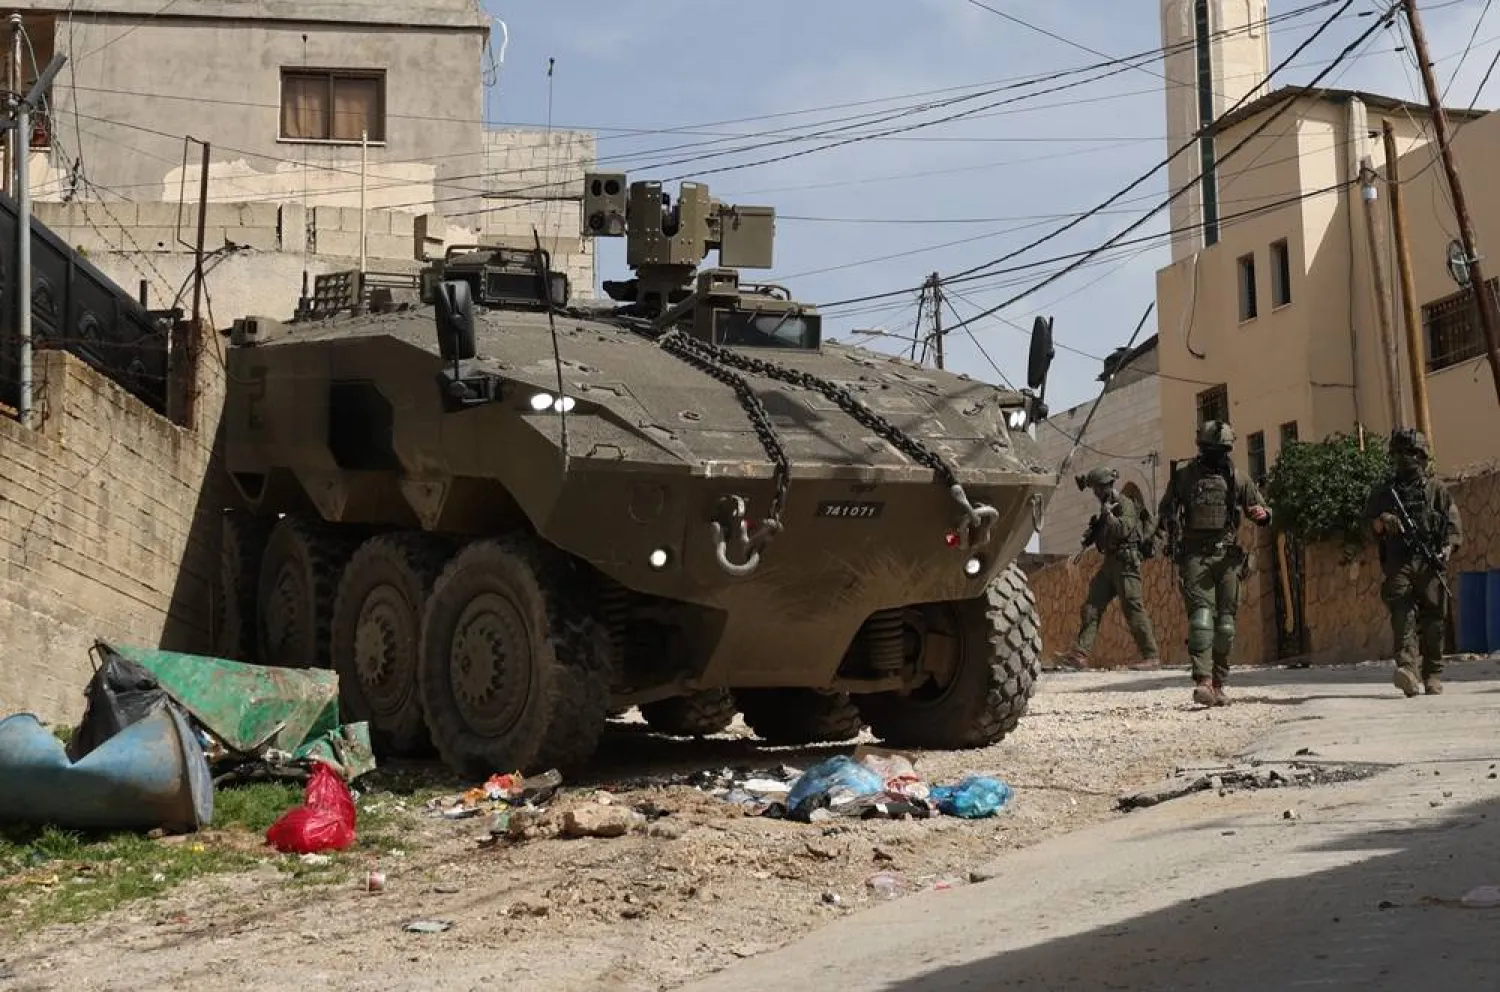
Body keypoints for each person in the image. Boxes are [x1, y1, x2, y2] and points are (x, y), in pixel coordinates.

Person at [1154, 421, 1272, 706]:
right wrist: (1169, 526)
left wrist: (1262, 514)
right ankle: (1203, 681)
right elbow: (1166, 510)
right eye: (1212, 450)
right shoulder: (1184, 477)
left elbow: (1265, 509)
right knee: (1202, 620)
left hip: (1228, 558)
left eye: (1222, 450)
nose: (1217, 455)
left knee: (1226, 626)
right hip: (1196, 557)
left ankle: (1219, 682)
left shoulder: (1238, 478)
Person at [1364, 428, 1462, 697]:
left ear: (1420, 456)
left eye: (1407, 453)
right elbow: (1368, 526)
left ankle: (1433, 674)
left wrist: (1446, 549)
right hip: (1399, 561)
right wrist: (1384, 521)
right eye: (1397, 453)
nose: (1402, 459)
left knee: (1434, 620)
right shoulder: (1385, 493)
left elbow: (1452, 525)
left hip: (1429, 561)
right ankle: (1408, 669)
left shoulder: (1437, 491)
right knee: (1402, 614)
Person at [1058, 466, 1160, 670]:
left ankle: (1151, 656)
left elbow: (1123, 529)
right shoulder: (1107, 504)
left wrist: (1109, 517)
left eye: (1097, 488)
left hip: (1126, 564)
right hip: (1110, 564)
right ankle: (1080, 654)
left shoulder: (1124, 503)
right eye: (1094, 488)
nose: (1095, 493)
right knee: (1092, 605)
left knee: (1133, 608)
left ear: (1106, 486)